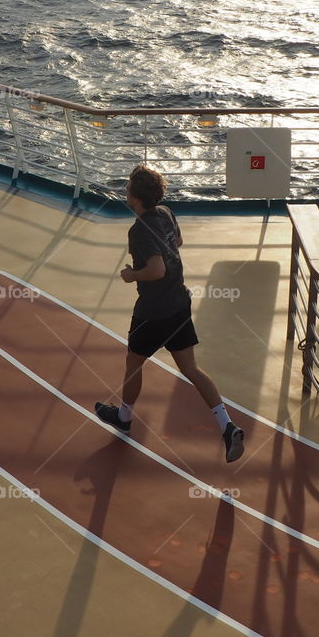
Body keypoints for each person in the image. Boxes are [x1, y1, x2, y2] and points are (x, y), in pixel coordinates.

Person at [95, 164, 245, 463]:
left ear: (135, 197)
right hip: (179, 304)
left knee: (134, 362)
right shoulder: (164, 213)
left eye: (127, 189)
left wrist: (131, 274)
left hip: (153, 312)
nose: (125, 191)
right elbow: (177, 242)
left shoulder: (138, 230)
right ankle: (227, 426)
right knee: (190, 368)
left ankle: (123, 417)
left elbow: (156, 269)